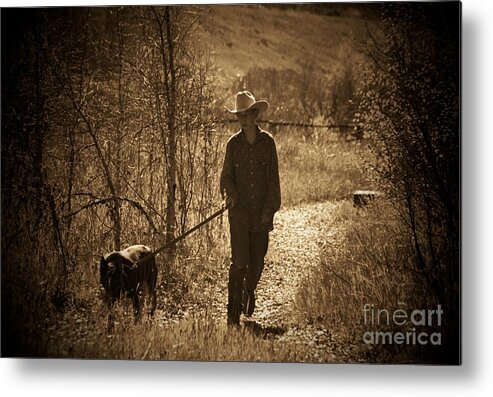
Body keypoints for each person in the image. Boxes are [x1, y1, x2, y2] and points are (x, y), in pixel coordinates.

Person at [220, 90, 281, 326]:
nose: (243, 119)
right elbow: (226, 177)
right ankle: (232, 314)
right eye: (239, 115)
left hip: (261, 214)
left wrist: (270, 209)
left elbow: (273, 179)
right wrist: (231, 195)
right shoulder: (233, 145)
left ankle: (248, 290)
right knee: (239, 263)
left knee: (257, 263)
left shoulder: (268, 143)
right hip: (239, 214)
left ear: (255, 114)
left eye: (247, 114)